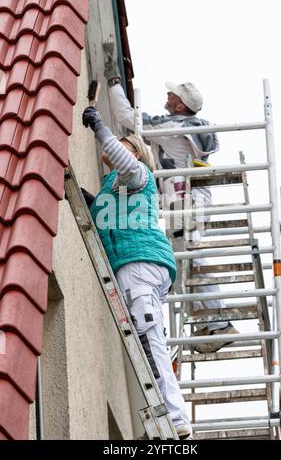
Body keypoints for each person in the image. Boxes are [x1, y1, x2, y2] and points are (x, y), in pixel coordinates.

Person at [103, 56, 238, 353]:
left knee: (191, 258)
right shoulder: (189, 127)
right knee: (183, 257)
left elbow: (132, 121)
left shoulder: (175, 125)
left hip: (183, 200)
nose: (167, 96)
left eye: (171, 95)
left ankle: (219, 320)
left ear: (179, 105)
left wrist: (113, 84)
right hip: (190, 199)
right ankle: (211, 321)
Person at [82, 105, 192, 440]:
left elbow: (126, 160)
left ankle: (175, 419)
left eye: (121, 142)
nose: (112, 144)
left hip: (141, 264)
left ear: (135, 152)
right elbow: (105, 216)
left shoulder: (138, 172)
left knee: (148, 336)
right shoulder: (113, 188)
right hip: (137, 265)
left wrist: (100, 126)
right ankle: (168, 417)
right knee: (147, 339)